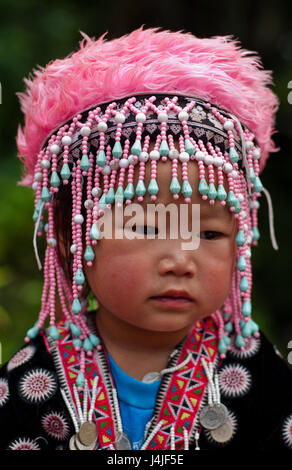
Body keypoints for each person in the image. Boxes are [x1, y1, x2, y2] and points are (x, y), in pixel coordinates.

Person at [0, 26, 291, 451]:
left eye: (210, 232)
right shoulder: (31, 380)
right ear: (70, 237)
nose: (180, 260)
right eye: (146, 228)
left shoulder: (258, 374)